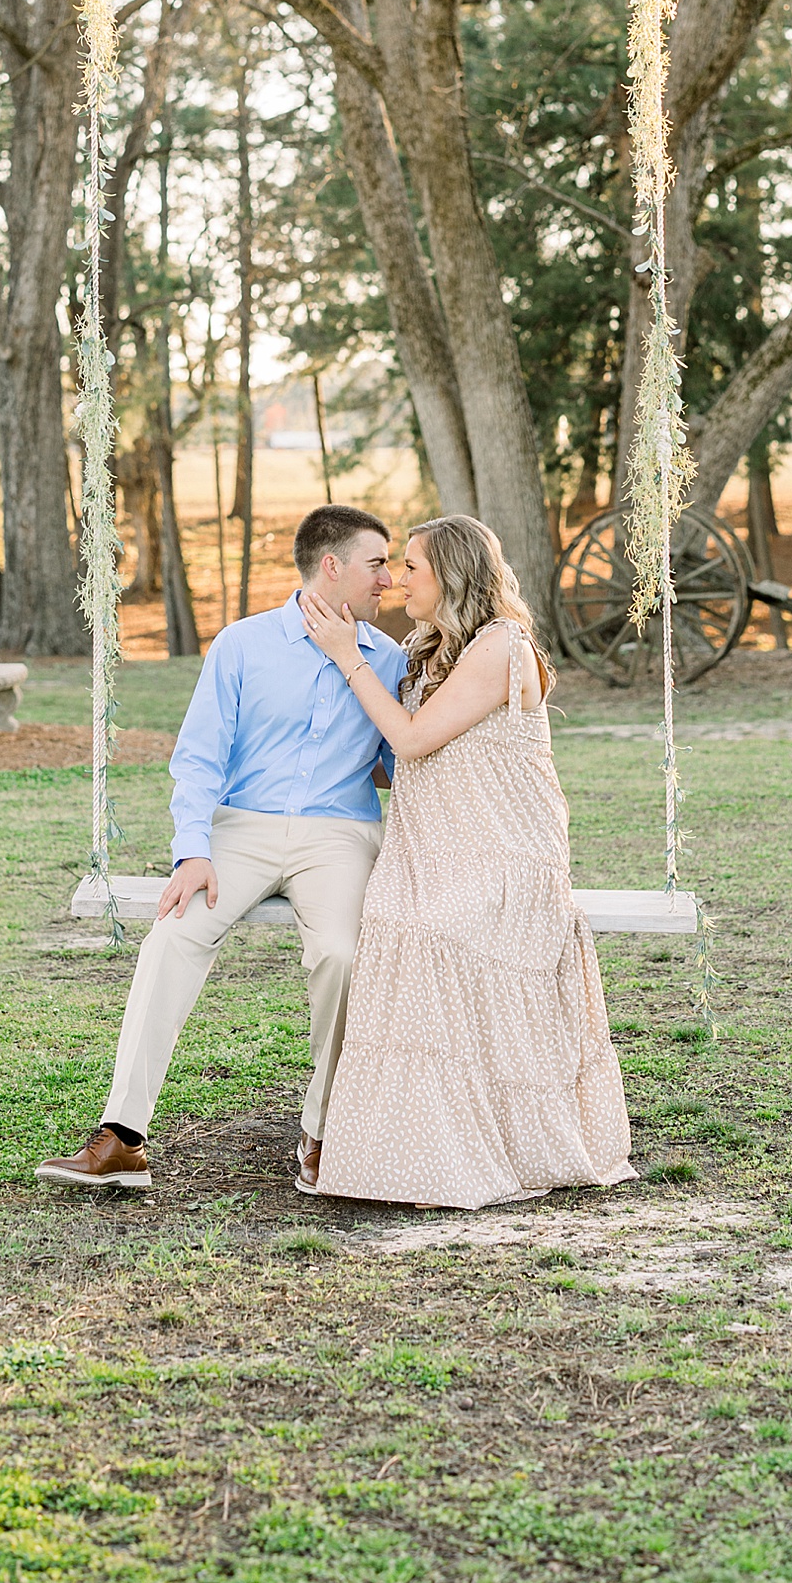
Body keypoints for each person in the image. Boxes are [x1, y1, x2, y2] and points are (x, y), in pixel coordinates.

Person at [36, 504, 409, 1194]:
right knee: (173, 935)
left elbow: (402, 761)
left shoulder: (390, 659)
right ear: (334, 567)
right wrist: (192, 851)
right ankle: (122, 1137)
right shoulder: (242, 644)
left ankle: (324, 1132)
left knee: (343, 954)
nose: (389, 579)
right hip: (241, 827)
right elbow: (199, 757)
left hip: (340, 834)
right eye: (378, 563)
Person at [300, 514, 635, 1211]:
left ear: (450, 575)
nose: (396, 580)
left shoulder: (501, 646)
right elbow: (402, 763)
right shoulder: (431, 647)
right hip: (439, 846)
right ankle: (412, 1149)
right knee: (393, 919)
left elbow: (416, 740)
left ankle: (463, 1152)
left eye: (412, 568)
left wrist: (347, 657)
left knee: (435, 932)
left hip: (505, 852)